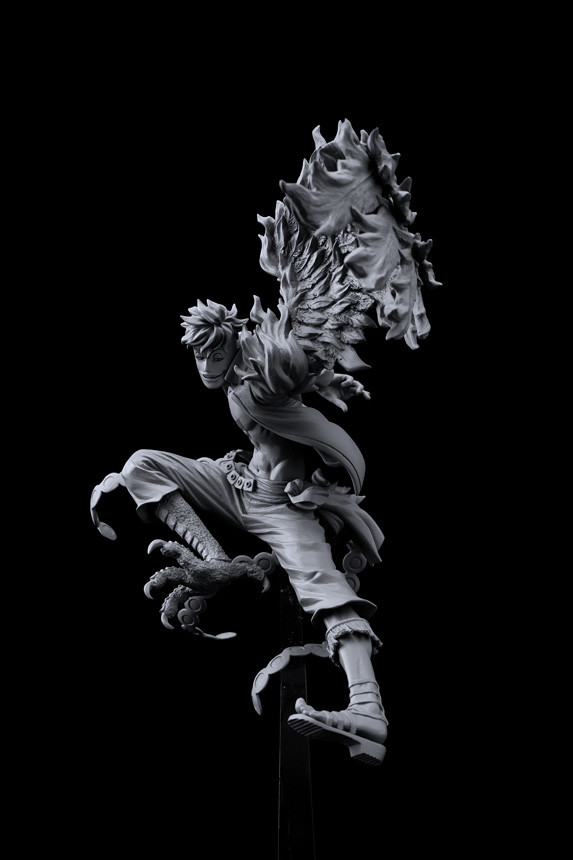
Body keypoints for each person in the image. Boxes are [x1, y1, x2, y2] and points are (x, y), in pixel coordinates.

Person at [92, 297, 388, 765]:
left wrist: (309, 350)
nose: (206, 365)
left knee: (325, 588)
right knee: (141, 465)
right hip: (238, 481)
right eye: (199, 354)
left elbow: (289, 367)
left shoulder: (265, 366)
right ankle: (215, 559)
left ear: (234, 342)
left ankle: (368, 711)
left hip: (280, 506)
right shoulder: (235, 375)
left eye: (215, 353)